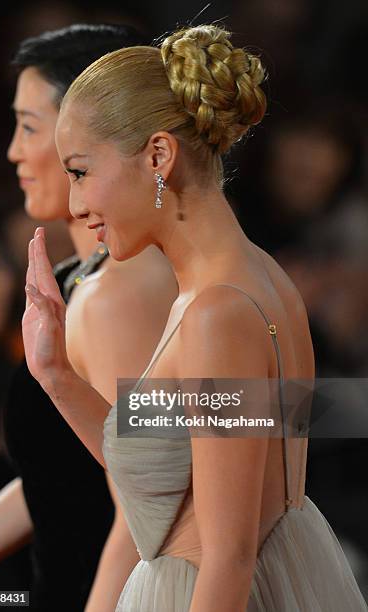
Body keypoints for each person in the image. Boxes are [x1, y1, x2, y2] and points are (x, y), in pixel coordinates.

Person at [23, 24, 368, 611]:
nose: (75, 206)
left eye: (80, 171)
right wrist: (55, 374)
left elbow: (227, 558)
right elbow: (163, 476)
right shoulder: (251, 277)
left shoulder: (217, 313)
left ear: (158, 154)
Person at [0, 25, 178, 611]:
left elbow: (146, 501)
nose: (12, 151)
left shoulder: (117, 294)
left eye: (28, 126)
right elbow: (56, 478)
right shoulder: (72, 280)